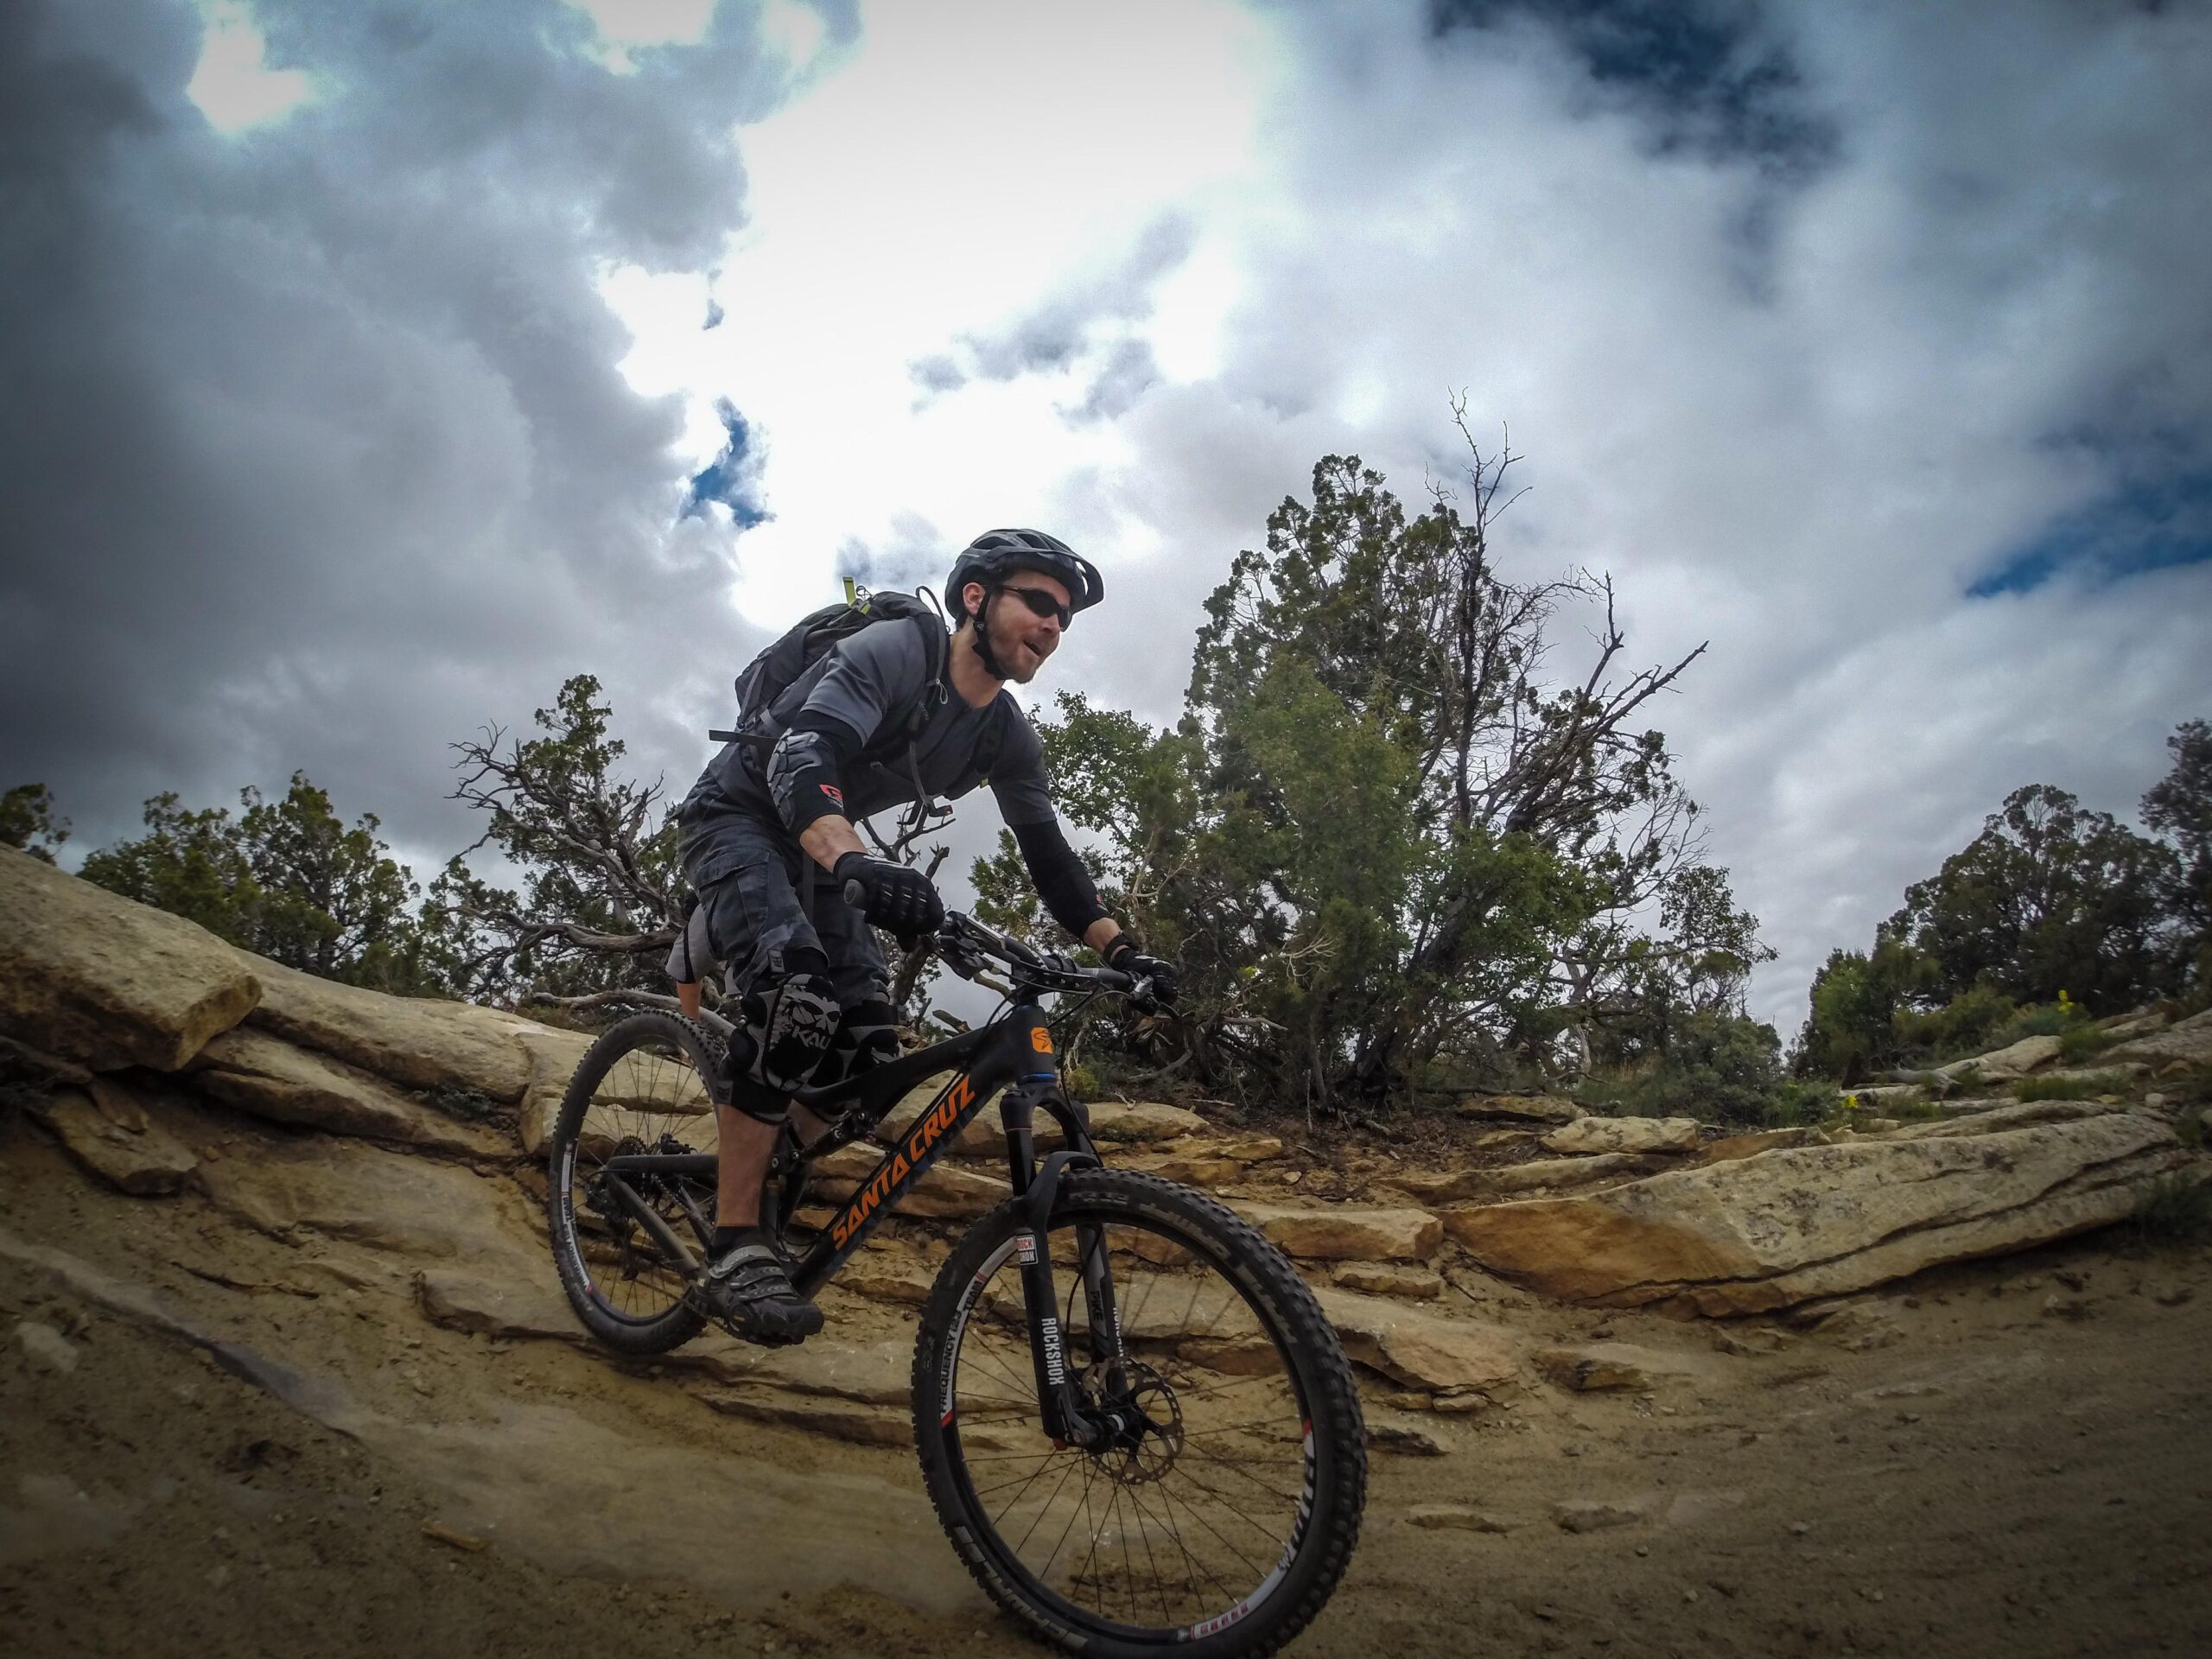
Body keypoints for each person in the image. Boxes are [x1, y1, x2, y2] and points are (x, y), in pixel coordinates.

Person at [671, 528, 1179, 1344]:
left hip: (826, 850)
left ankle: (763, 1170)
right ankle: (735, 1241)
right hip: (739, 817)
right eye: (1038, 604)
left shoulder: (1002, 731)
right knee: (796, 997)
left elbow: (1048, 856)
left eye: (1065, 620)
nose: (1053, 628)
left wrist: (1123, 952)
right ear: (975, 599)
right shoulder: (899, 647)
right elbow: (807, 749)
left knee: (873, 1051)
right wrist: (855, 861)